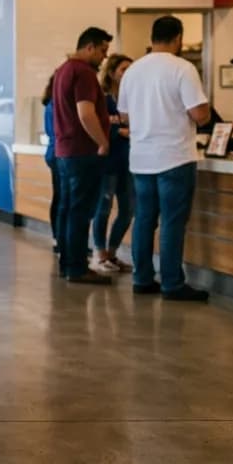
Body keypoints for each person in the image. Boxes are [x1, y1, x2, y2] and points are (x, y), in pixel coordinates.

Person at [117, 16, 211, 302]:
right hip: (175, 157)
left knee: (144, 219)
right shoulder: (182, 68)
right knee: (171, 222)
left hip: (141, 158)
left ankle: (142, 279)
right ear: (178, 38)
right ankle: (172, 283)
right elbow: (200, 115)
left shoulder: (133, 70)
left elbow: (124, 117)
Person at [51, 27, 114, 285]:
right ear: (89, 47)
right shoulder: (84, 73)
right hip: (83, 152)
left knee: (67, 210)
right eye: (102, 51)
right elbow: (86, 113)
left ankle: (67, 263)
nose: (104, 57)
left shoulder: (63, 70)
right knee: (80, 212)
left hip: (65, 152)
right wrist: (102, 142)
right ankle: (77, 268)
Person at [90, 54, 134, 275]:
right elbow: (100, 126)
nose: (127, 73)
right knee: (103, 208)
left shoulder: (134, 97)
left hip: (129, 163)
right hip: (107, 162)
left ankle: (112, 252)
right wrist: (122, 131)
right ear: (112, 72)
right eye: (123, 69)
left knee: (128, 210)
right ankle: (99, 254)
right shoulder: (103, 99)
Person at [42, 73, 61, 257]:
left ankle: (60, 237)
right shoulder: (55, 105)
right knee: (61, 197)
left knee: (61, 197)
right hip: (57, 153)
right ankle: (58, 237)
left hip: (54, 153)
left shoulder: (53, 104)